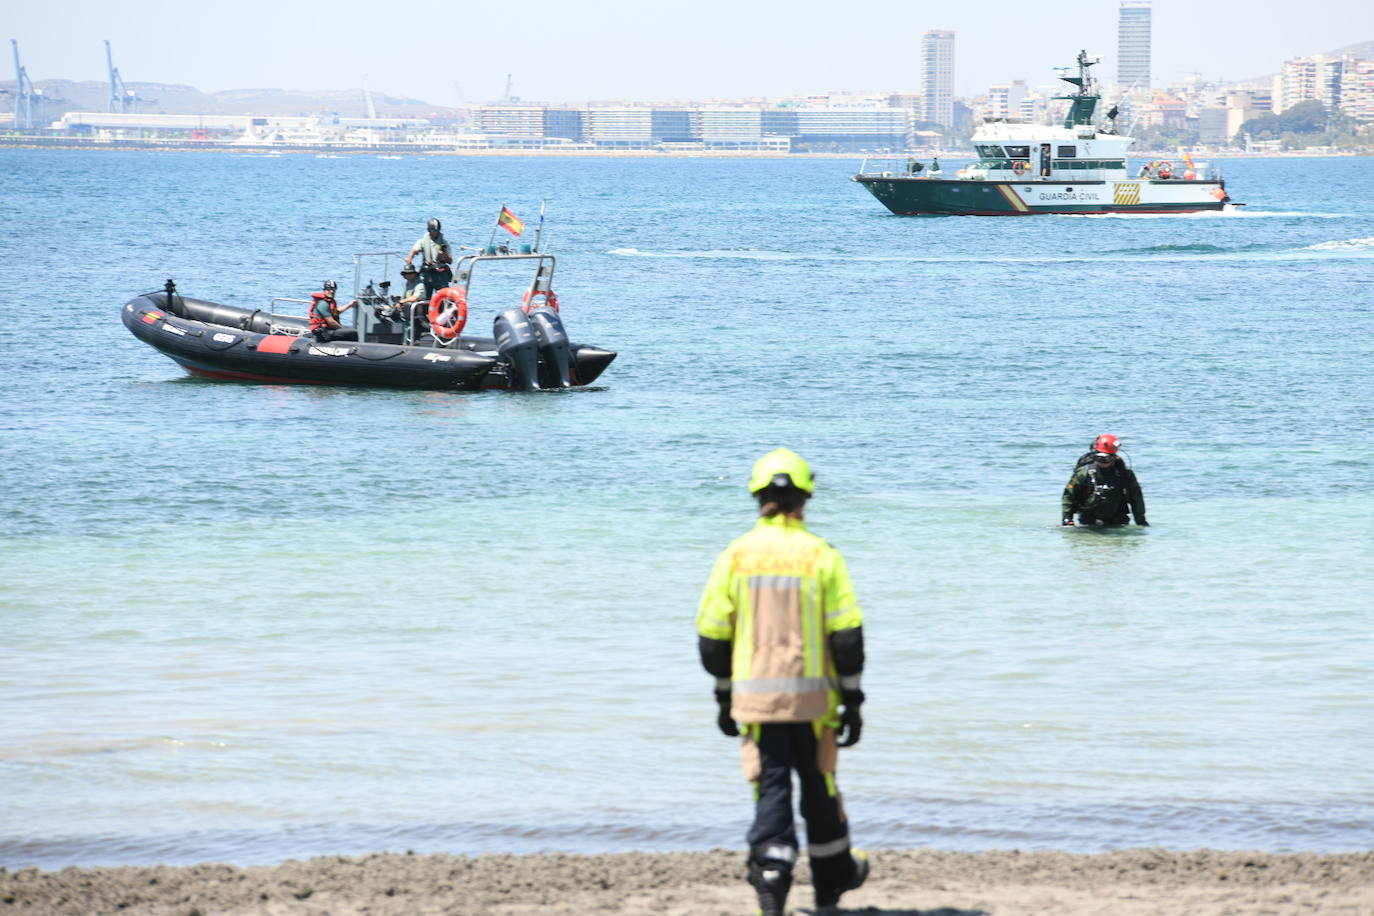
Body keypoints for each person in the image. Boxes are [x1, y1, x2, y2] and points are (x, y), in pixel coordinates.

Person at [696, 448, 870, 916]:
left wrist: (723, 695)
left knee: (771, 789)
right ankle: (831, 885)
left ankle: (771, 887)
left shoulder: (736, 555)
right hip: (815, 705)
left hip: (757, 704)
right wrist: (852, 699)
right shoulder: (821, 556)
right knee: (821, 789)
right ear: (805, 496)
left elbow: (713, 637)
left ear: (757, 496)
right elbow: (847, 637)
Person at [1062, 434, 1148, 527]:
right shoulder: (1083, 473)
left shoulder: (1124, 474)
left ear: (1113, 458)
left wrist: (1141, 521)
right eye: (1099, 458)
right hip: (1089, 520)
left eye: (1106, 459)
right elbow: (1069, 495)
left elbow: (1136, 498)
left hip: (1117, 519)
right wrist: (1067, 519)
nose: (1102, 462)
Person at [404, 217, 452, 301]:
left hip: (440, 274)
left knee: (444, 297)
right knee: (424, 296)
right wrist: (409, 259)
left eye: (437, 231)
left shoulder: (444, 243)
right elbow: (414, 251)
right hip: (427, 273)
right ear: (429, 230)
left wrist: (444, 254)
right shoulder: (422, 241)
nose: (436, 233)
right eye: (433, 231)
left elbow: (450, 261)